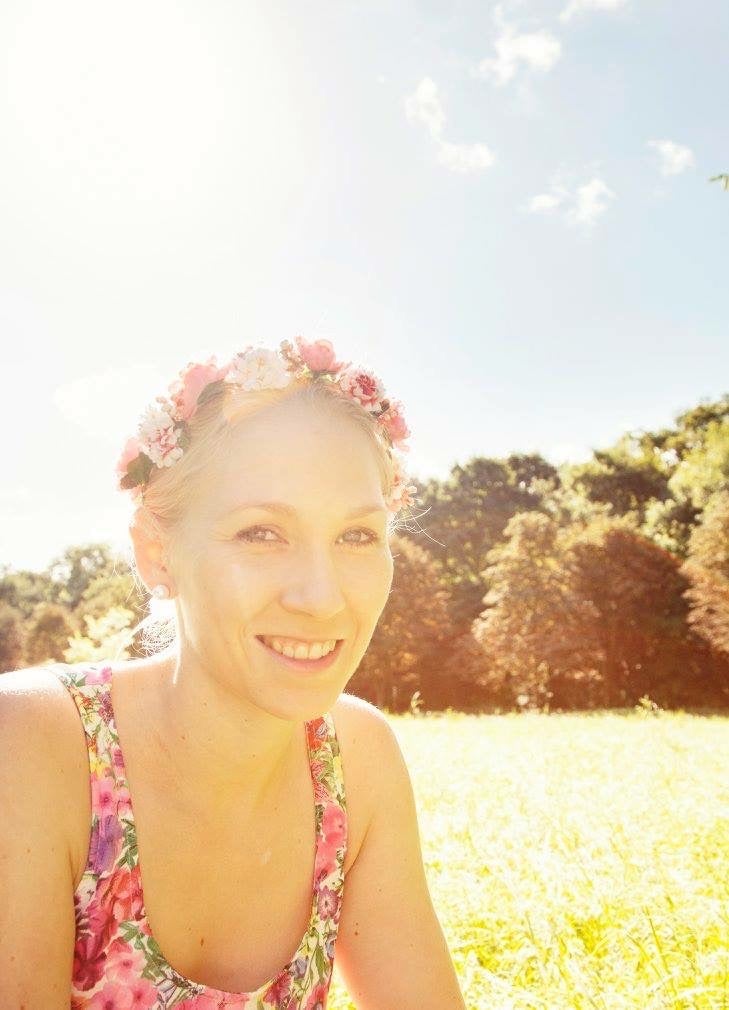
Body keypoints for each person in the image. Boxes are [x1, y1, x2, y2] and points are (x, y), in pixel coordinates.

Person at [0, 337, 468, 1010]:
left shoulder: (357, 761)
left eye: (357, 536)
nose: (322, 597)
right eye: (261, 534)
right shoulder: (32, 745)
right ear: (157, 553)